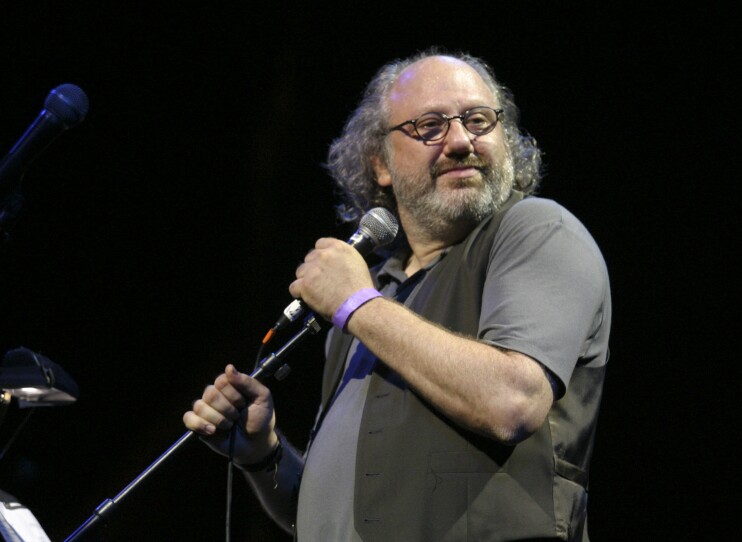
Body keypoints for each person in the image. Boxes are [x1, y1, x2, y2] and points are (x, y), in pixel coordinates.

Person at [183, 48, 611, 542]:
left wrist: (356, 305)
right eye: (429, 125)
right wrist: (264, 454)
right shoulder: (379, 295)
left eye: (477, 120)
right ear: (380, 164)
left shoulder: (536, 230)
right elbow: (332, 516)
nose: (459, 142)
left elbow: (513, 401)